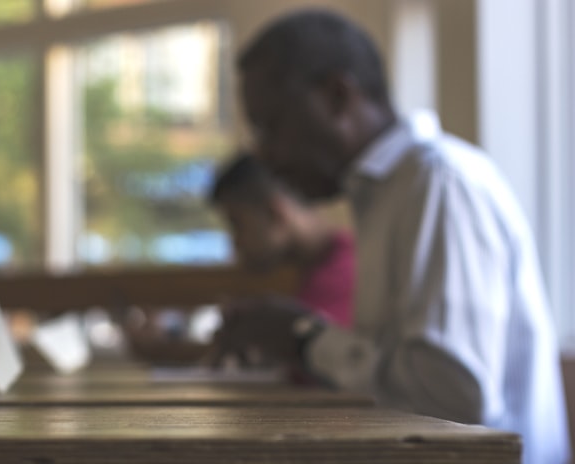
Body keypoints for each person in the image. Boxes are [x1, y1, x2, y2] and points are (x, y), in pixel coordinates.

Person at [212, 9, 570, 464]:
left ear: (338, 97)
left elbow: (454, 403)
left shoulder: (438, 183)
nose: (265, 156)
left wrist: (304, 338)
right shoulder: (389, 194)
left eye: (272, 127)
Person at [209, 153, 354, 329]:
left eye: (237, 224)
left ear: (276, 214)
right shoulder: (322, 269)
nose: (236, 242)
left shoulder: (348, 278)